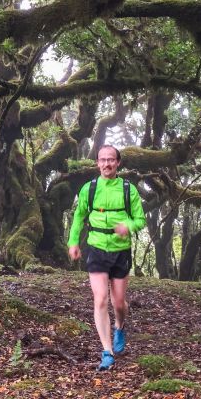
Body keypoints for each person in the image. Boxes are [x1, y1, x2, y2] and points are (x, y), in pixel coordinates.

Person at [68, 144, 146, 371]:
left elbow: (140, 220)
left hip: (120, 250)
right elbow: (78, 217)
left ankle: (120, 326)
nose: (106, 164)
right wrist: (73, 242)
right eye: (102, 160)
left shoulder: (128, 189)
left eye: (111, 160)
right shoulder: (89, 189)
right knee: (100, 299)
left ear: (118, 162)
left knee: (118, 303)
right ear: (97, 163)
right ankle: (107, 351)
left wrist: (127, 225)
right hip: (96, 248)